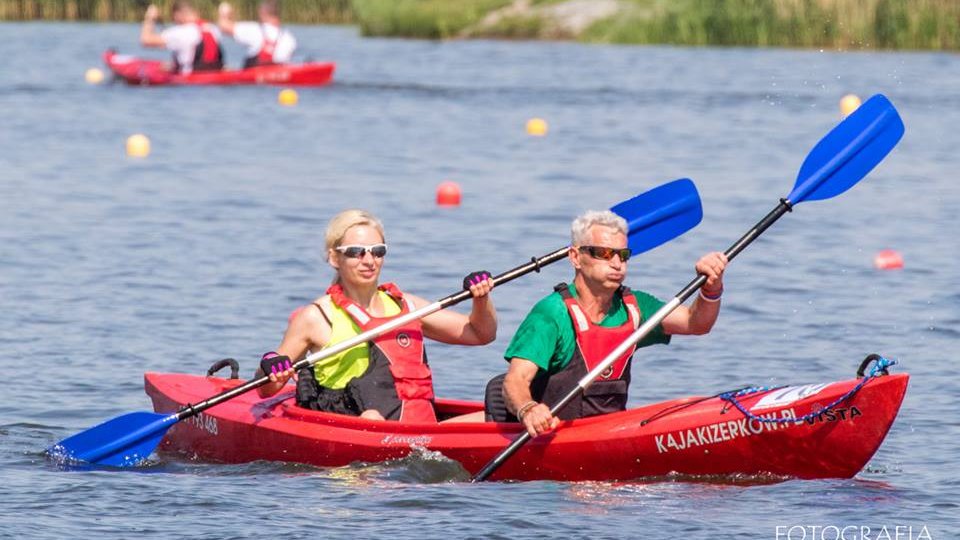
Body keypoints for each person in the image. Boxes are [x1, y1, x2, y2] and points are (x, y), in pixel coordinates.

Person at [484, 210, 728, 437]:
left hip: (608, 434)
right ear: (575, 257)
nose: (616, 263)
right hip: (551, 436)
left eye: (623, 255)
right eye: (604, 253)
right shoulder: (552, 313)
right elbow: (514, 381)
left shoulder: (635, 307)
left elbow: (696, 323)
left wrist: (711, 287)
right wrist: (528, 409)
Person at [257, 209, 497, 423]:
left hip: (421, 428)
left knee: (502, 411)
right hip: (355, 429)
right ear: (334, 258)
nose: (369, 261)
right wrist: (269, 363)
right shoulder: (317, 317)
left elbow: (480, 333)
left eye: (377, 251)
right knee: (372, 417)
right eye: (355, 252)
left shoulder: (408, 306)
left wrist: (481, 298)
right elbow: (266, 389)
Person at [140, 1, 224, 74]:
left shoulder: (181, 31)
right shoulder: (213, 29)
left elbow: (146, 40)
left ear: (178, 15)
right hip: (216, 71)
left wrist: (149, 18)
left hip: (191, 80)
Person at [217, 1, 297, 68]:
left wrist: (224, 12)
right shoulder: (290, 39)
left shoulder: (256, 31)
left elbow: (224, 26)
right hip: (280, 74)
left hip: (254, 78)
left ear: (262, 13)